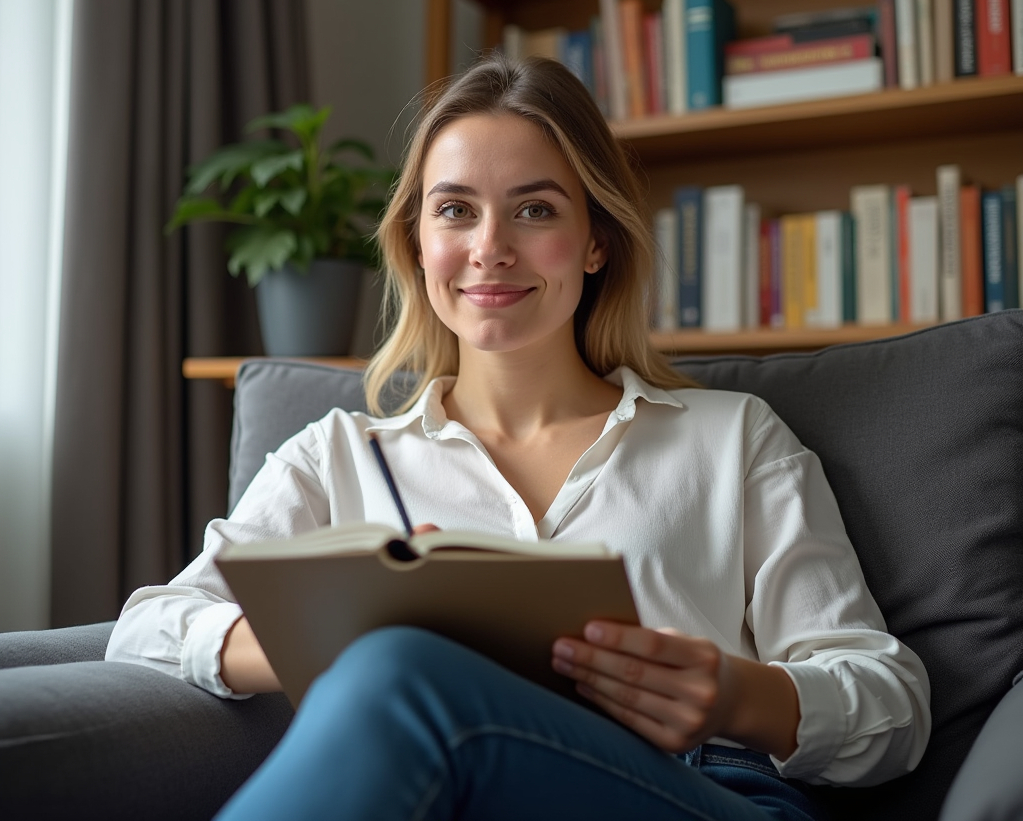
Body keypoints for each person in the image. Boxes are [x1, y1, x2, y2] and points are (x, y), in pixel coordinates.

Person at [106, 56, 931, 821]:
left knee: (403, 671)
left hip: (700, 788)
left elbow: (891, 703)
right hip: (452, 793)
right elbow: (149, 625)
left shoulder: (733, 439)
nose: (490, 249)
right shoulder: (338, 456)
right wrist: (320, 645)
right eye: (455, 210)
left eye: (535, 210)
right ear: (418, 242)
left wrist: (734, 696)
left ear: (598, 240)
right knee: (394, 666)